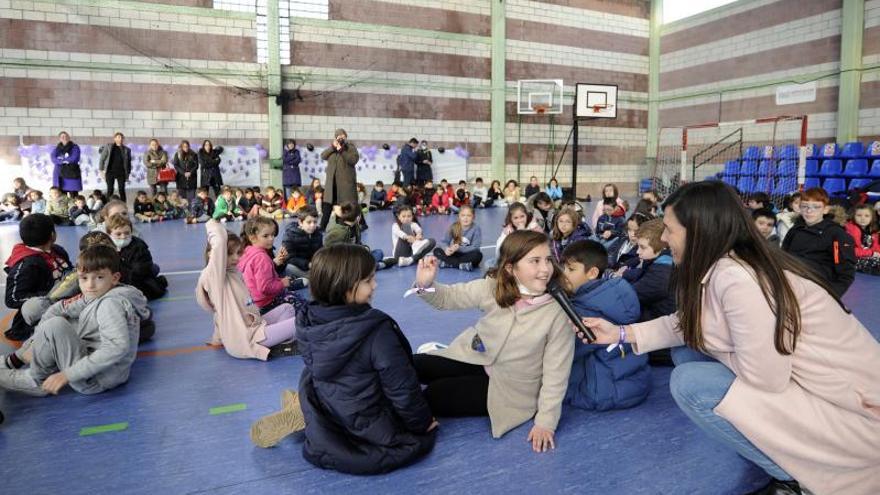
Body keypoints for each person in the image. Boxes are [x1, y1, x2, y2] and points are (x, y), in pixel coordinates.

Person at [580, 181, 880, 495]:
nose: (665, 238)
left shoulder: (738, 278)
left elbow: (767, 378)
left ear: (698, 231)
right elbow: (687, 323)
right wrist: (620, 333)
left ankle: (793, 478)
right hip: (823, 394)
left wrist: (708, 341)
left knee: (689, 381)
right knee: (687, 353)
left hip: (856, 415)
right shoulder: (729, 263)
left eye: (669, 229)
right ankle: (774, 448)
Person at [250, 244, 437, 474]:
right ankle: (304, 412)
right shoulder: (377, 331)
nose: (375, 285)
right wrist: (422, 423)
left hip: (330, 405)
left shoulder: (308, 319)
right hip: (370, 426)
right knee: (427, 389)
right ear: (346, 287)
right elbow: (402, 389)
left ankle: (306, 410)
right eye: (369, 280)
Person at [414, 230, 574, 452]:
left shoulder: (558, 313)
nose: (545, 269)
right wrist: (425, 284)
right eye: (535, 261)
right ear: (510, 267)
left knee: (433, 395)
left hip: (508, 388)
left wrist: (546, 422)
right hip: (476, 357)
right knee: (414, 364)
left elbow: (557, 373)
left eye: (548, 260)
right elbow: (449, 298)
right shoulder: (493, 285)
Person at [0, 245, 150, 397]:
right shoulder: (97, 294)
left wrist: (67, 375)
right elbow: (59, 308)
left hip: (95, 379)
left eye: (99, 277)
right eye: (84, 278)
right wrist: (35, 342)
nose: (90, 285)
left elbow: (116, 348)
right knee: (60, 319)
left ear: (114, 278)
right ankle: (20, 359)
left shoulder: (110, 304)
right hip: (94, 367)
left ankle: (37, 380)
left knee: (56, 325)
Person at [560, 240, 648, 411]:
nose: (563, 274)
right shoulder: (617, 292)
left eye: (570, 269)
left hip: (602, 392)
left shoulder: (584, 310)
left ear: (592, 273)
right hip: (636, 381)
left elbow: (567, 351)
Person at [196, 220, 298, 361]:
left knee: (287, 308)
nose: (236, 258)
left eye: (238, 253)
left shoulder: (233, 273)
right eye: (229, 254)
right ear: (212, 255)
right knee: (299, 322)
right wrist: (211, 222)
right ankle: (275, 344)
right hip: (246, 339)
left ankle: (278, 344)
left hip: (255, 326)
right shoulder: (214, 277)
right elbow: (219, 241)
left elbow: (219, 315)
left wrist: (218, 339)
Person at [3, 214, 72, 341]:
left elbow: (70, 272)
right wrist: (48, 296)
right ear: (53, 235)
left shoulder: (58, 251)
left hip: (67, 301)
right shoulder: (27, 265)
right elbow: (13, 298)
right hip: (43, 313)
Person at [781, 188, 856, 297]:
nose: (809, 211)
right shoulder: (795, 230)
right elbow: (784, 257)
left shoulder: (837, 234)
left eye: (816, 207)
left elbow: (846, 273)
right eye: (805, 206)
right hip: (791, 287)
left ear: (825, 209)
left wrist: (832, 295)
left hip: (818, 290)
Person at [238, 217, 304, 314]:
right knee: (300, 305)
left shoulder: (248, 251)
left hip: (255, 302)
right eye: (266, 236)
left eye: (273, 235)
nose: (271, 238)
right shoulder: (262, 258)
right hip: (267, 303)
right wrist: (282, 283)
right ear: (253, 238)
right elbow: (265, 287)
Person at [620, 218, 675, 323]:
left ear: (662, 247)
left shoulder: (662, 273)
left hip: (657, 326)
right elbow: (640, 274)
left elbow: (627, 296)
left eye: (643, 247)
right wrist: (624, 274)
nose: (638, 251)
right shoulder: (660, 262)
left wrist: (615, 278)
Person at [106, 213, 167, 300]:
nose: (123, 237)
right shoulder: (105, 247)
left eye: (127, 233)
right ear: (109, 234)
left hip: (135, 281)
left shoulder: (139, 246)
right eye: (118, 234)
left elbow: (139, 271)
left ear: (131, 231)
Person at [324, 201, 396, 270]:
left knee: (379, 252)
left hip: (353, 255)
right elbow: (333, 255)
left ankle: (372, 264)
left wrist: (363, 248)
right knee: (365, 263)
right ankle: (378, 265)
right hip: (342, 263)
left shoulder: (354, 224)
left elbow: (357, 243)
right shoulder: (338, 232)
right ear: (358, 217)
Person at [320, 128, 359, 231]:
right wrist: (333, 147)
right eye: (339, 136)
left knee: (345, 208)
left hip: (345, 186)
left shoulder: (350, 147)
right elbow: (323, 156)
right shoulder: (332, 149)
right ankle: (322, 227)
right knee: (327, 207)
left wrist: (341, 150)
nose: (341, 137)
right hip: (332, 186)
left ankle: (345, 227)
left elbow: (353, 160)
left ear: (346, 137)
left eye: (343, 136)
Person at [432, 204, 482, 271]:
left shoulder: (476, 229)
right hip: (455, 254)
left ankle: (448, 263)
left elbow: (475, 247)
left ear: (473, 217)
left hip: (467, 254)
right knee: (437, 250)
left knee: (478, 255)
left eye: (469, 216)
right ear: (459, 217)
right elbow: (443, 241)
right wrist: (447, 249)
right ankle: (461, 265)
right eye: (463, 215)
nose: (465, 218)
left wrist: (459, 248)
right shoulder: (454, 227)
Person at [281, 206, 322, 280]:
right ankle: (311, 277)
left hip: (312, 265)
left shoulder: (318, 234)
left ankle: (310, 277)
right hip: (298, 265)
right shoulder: (290, 235)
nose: (312, 225)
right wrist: (307, 264)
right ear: (300, 222)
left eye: (315, 222)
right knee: (289, 267)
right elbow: (289, 257)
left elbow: (320, 251)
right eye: (309, 222)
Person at [845, 204, 880, 275]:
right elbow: (849, 250)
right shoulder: (849, 230)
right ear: (853, 216)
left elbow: (876, 248)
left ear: (872, 218)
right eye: (859, 215)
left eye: (867, 216)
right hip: (852, 261)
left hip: (868, 258)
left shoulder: (873, 231)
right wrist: (871, 253)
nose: (863, 218)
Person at [98, 132, 132, 202]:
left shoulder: (127, 150)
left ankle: (123, 206)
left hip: (121, 172)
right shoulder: (108, 146)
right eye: (118, 137)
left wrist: (128, 173)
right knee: (110, 189)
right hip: (110, 171)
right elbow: (102, 159)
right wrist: (101, 170)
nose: (120, 139)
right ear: (115, 138)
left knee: (121, 189)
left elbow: (128, 163)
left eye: (122, 137)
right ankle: (108, 206)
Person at [50, 131, 82, 197]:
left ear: (69, 137)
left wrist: (61, 159)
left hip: (71, 172)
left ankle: (74, 207)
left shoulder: (75, 147)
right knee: (61, 194)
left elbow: (74, 158)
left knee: (73, 194)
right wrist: (63, 161)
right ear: (60, 139)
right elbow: (53, 158)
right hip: (59, 172)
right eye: (62, 137)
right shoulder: (56, 148)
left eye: (66, 136)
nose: (64, 138)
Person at [172, 140, 199, 204]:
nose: (186, 148)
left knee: (191, 198)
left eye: (187, 146)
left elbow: (196, 165)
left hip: (192, 178)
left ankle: (191, 212)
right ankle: (183, 212)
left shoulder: (194, 154)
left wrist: (190, 172)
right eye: (184, 146)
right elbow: (176, 165)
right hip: (181, 179)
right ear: (181, 147)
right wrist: (183, 173)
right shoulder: (177, 154)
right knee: (182, 199)